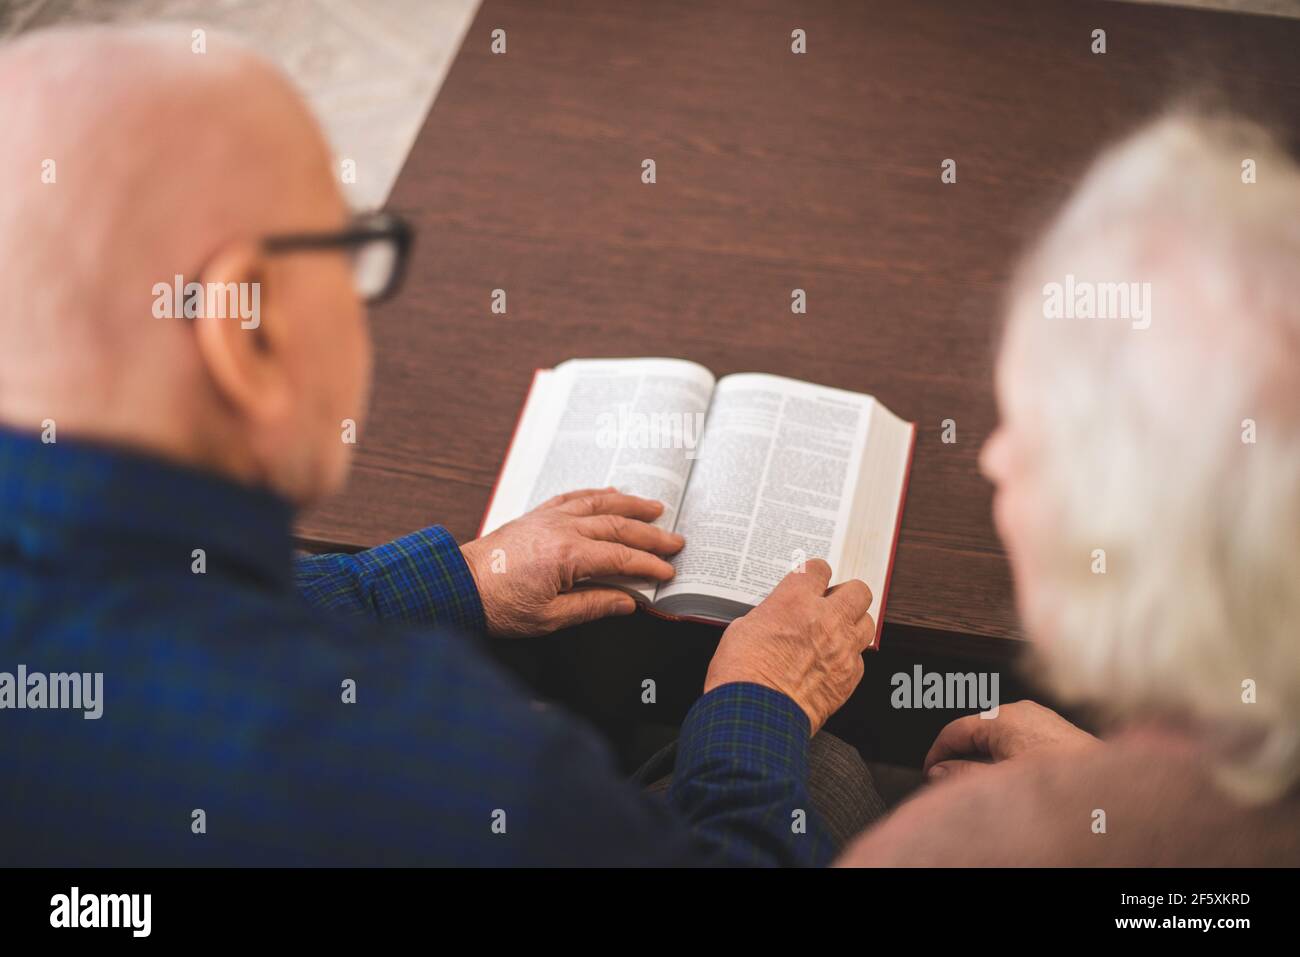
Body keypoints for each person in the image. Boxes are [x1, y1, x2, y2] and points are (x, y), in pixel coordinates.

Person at [0, 25, 876, 866]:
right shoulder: (423, 757)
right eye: (349, 254)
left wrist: (460, 576)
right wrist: (763, 696)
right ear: (246, 329)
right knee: (824, 773)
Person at [839, 113, 1300, 866]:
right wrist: (1112, 782)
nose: (994, 458)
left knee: (824, 774)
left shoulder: (940, 851)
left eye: (1028, 428)